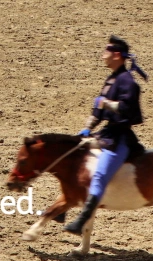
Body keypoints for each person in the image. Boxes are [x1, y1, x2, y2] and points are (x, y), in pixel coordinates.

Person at [63, 35, 148, 236]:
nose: (102, 56)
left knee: (100, 176)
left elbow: (128, 109)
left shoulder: (128, 81)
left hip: (120, 138)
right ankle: (63, 207)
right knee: (74, 155)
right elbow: (98, 111)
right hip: (106, 133)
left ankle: (82, 220)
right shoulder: (111, 79)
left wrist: (106, 103)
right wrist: (87, 128)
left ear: (116, 55)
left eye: (106, 52)